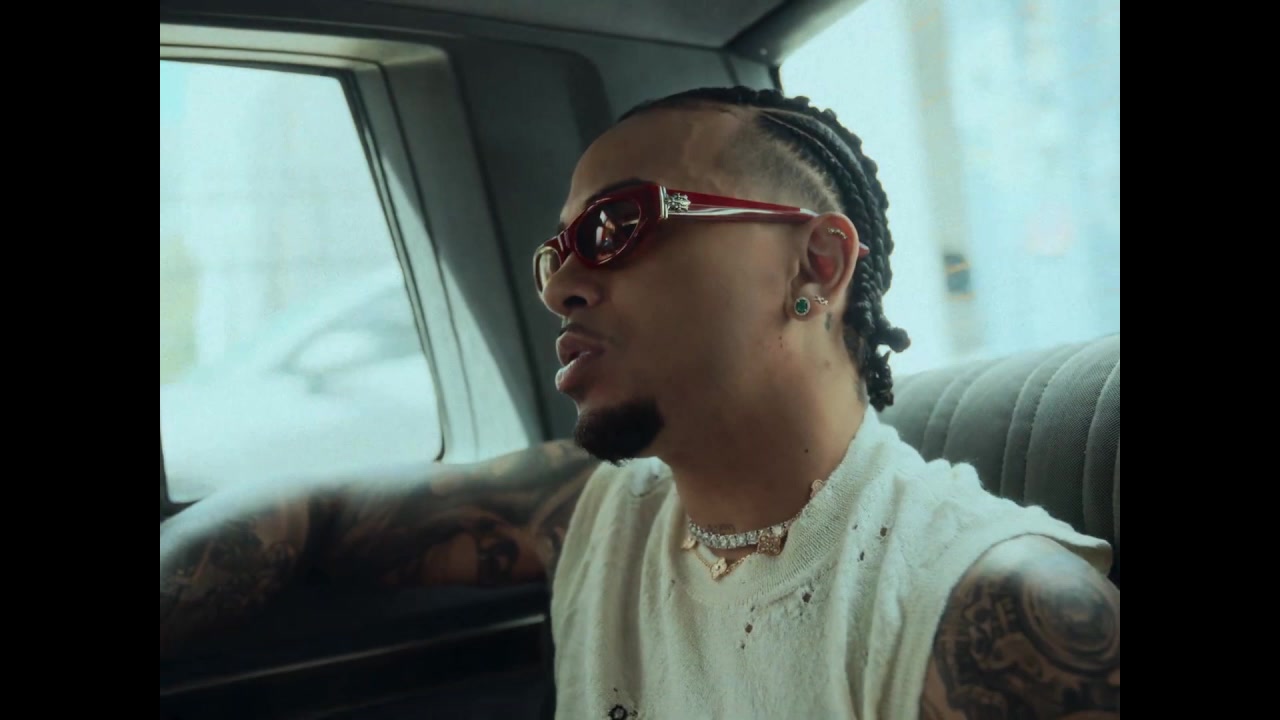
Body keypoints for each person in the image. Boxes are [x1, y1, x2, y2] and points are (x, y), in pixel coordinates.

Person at [160, 87, 1119, 719]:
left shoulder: (996, 612)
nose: (560, 285)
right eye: (555, 251)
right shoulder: (600, 508)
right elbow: (314, 517)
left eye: (617, 226)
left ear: (816, 266)